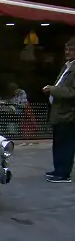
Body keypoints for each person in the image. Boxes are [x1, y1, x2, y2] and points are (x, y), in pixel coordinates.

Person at [43, 37, 75, 183]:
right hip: (59, 111)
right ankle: (58, 170)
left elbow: (72, 91)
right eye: (66, 49)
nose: (67, 52)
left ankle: (64, 174)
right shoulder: (67, 66)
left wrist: (53, 90)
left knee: (66, 144)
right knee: (58, 142)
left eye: (71, 49)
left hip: (69, 114)